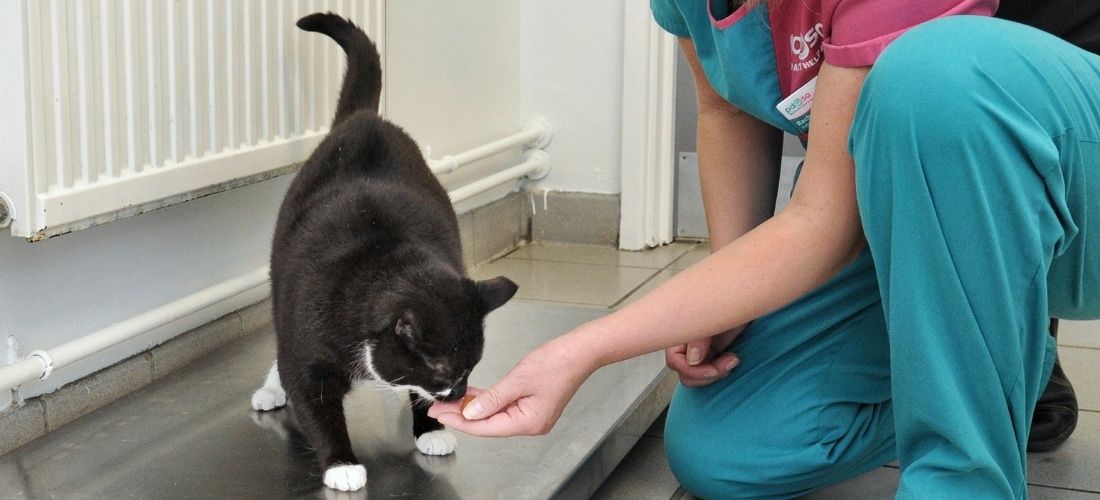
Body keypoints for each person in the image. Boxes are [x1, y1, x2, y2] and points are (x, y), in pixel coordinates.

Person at [431, 0, 1099, 497]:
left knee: (932, 78)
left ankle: (962, 481)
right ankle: (1014, 352)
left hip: (1070, 176)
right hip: (924, 199)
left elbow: (821, 226)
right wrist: (722, 302)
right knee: (727, 446)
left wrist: (579, 351)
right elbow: (726, 109)